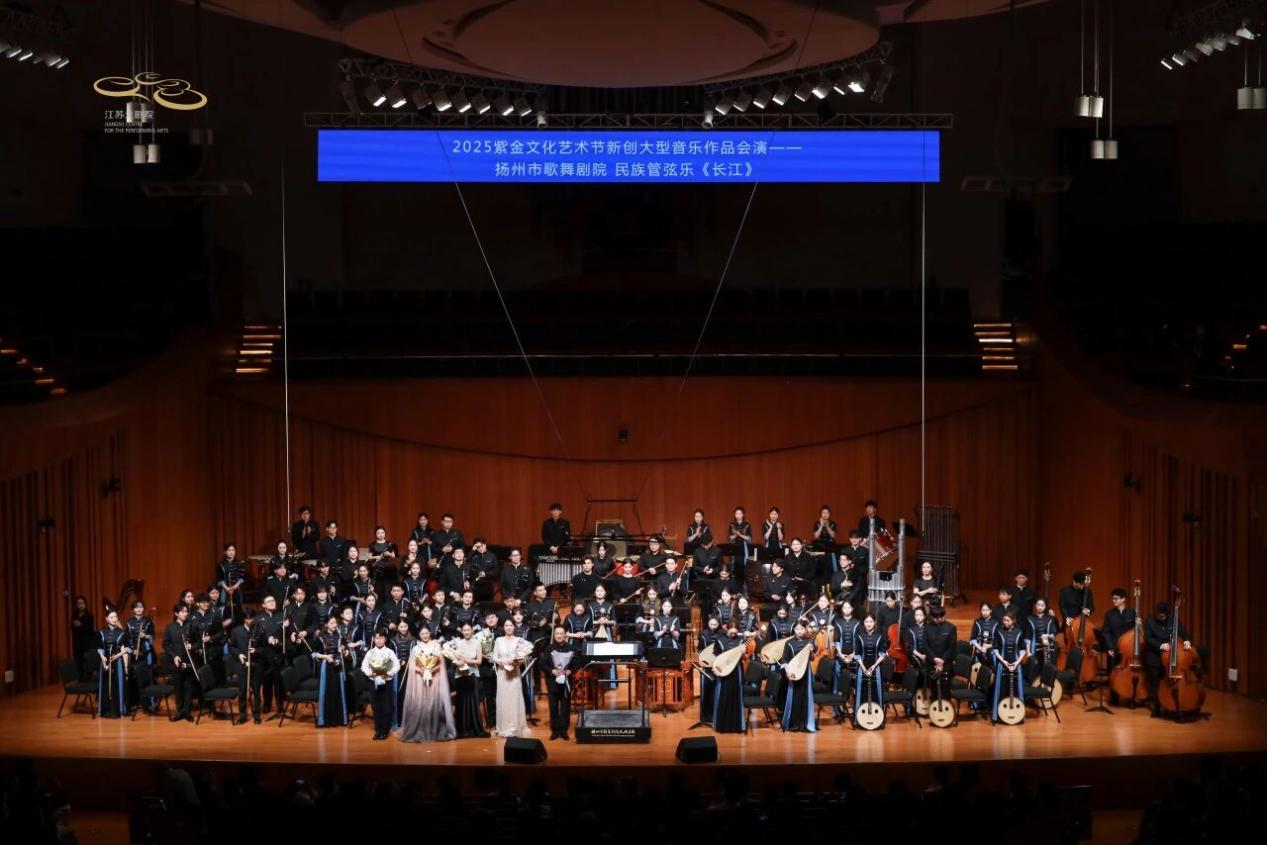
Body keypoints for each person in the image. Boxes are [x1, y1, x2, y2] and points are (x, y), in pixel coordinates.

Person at [399, 625, 455, 742]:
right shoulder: (416, 648)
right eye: (422, 634)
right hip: (420, 680)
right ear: (419, 635)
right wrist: (422, 670)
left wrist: (431, 669)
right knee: (421, 704)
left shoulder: (436, 646)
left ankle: (435, 730)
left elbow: (440, 663)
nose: (425, 635)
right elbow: (412, 666)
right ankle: (420, 729)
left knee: (433, 704)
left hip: (434, 679)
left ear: (430, 633)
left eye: (426, 633)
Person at [1144, 602, 1192, 717]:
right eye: (1159, 616)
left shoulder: (1173, 620)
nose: (1161, 618)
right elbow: (1148, 638)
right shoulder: (1149, 621)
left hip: (1170, 657)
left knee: (1170, 681)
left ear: (1167, 614)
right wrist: (1160, 645)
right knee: (1155, 683)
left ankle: (1171, 705)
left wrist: (1187, 640)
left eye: (1163, 616)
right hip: (1154, 655)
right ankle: (1156, 708)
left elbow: (1182, 631)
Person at [492, 618, 533, 737]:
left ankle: (515, 727)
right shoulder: (499, 640)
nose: (508, 627)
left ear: (514, 627)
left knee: (515, 699)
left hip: (514, 673)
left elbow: (523, 658)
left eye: (511, 625)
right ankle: (504, 727)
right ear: (503, 627)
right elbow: (494, 657)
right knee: (503, 699)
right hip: (502, 674)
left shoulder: (519, 641)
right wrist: (503, 661)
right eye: (506, 625)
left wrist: (517, 662)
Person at [449, 622, 488, 738]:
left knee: (473, 701)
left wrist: (466, 660)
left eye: (468, 630)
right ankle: (462, 729)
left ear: (472, 630)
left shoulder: (477, 643)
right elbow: (454, 658)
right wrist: (456, 661)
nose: (466, 632)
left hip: (472, 675)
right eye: (464, 630)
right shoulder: (458, 643)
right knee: (461, 702)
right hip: (460, 675)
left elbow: (479, 661)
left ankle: (474, 727)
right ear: (461, 631)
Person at [361, 630, 400, 740]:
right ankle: (378, 729)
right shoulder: (370, 653)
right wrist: (369, 673)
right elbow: (364, 666)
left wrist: (389, 673)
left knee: (386, 706)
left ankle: (385, 730)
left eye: (381, 638)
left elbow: (397, 665)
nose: (379, 640)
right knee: (376, 706)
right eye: (377, 638)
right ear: (374, 639)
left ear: (385, 639)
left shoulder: (390, 652)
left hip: (386, 682)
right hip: (373, 682)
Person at [312, 615, 349, 728]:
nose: (334, 625)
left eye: (335, 623)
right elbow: (313, 654)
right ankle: (325, 720)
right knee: (326, 692)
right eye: (332, 623)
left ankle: (339, 719)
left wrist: (344, 651)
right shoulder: (320, 637)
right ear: (326, 624)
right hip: (326, 668)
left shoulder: (340, 636)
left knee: (338, 692)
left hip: (338, 666)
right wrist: (326, 657)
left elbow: (347, 652)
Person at [991, 611, 1028, 723]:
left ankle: (1018, 716)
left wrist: (1017, 662)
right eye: (1004, 620)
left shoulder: (1019, 632)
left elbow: (1022, 649)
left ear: (1013, 621)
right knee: (1001, 689)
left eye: (1008, 620)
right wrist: (1003, 662)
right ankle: (998, 716)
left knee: (1017, 690)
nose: (1005, 622)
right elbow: (995, 649)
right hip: (1002, 665)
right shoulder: (999, 632)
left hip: (1016, 665)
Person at [780, 620, 816, 732]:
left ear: (805, 630)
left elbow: (812, 658)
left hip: (806, 674)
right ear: (794, 630)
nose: (799, 631)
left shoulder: (809, 642)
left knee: (806, 697)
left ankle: (806, 723)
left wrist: (811, 651)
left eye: (802, 629)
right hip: (793, 673)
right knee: (794, 697)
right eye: (797, 629)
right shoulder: (789, 643)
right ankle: (793, 723)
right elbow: (784, 659)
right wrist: (787, 672)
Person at [163, 603, 196, 722]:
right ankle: (180, 711)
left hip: (189, 660)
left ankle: (187, 712)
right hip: (176, 661)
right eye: (182, 611)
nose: (185, 614)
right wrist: (174, 656)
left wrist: (192, 646)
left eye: (186, 611)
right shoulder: (170, 628)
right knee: (178, 687)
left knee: (188, 687)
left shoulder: (191, 626)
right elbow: (166, 645)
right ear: (176, 613)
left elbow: (197, 641)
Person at [97, 609, 132, 718]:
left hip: (118, 662)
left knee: (118, 684)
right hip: (105, 662)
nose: (114, 619)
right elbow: (99, 647)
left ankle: (118, 710)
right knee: (105, 684)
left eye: (115, 617)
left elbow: (129, 647)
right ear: (106, 619)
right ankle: (105, 710)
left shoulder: (123, 632)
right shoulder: (101, 632)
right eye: (111, 617)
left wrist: (119, 654)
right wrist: (102, 657)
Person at [711, 624, 746, 733]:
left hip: (737, 671)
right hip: (723, 671)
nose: (733, 635)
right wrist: (715, 667)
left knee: (736, 696)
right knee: (723, 695)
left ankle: (737, 726)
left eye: (735, 633)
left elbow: (745, 657)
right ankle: (722, 726)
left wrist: (744, 654)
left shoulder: (741, 640)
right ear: (727, 629)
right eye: (731, 632)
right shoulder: (720, 640)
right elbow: (715, 655)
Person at [853, 614, 888, 722]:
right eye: (866, 621)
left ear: (875, 623)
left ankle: (878, 720)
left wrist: (874, 666)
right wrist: (863, 668)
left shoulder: (881, 636)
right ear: (863, 623)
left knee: (877, 692)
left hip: (877, 669)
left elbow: (882, 653)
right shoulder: (859, 636)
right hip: (861, 668)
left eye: (871, 621)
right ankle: (859, 719)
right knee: (861, 691)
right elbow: (857, 654)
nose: (869, 624)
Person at [545, 626, 574, 740]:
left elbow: (577, 663)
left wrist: (570, 670)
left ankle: (564, 731)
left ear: (565, 635)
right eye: (557, 633)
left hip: (566, 681)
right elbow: (542, 664)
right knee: (553, 707)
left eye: (561, 633)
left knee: (565, 707)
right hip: (552, 681)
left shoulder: (570, 648)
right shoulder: (549, 648)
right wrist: (552, 671)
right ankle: (555, 731)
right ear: (554, 635)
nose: (559, 636)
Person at [226, 613, 256, 725]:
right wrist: (239, 654)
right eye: (248, 618)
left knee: (256, 691)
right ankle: (242, 716)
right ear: (244, 619)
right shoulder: (236, 631)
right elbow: (232, 647)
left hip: (255, 664)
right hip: (241, 664)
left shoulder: (256, 629)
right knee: (242, 691)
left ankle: (257, 716)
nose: (250, 620)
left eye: (251, 618)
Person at [697, 616, 723, 725]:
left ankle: (716, 715)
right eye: (711, 624)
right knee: (706, 691)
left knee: (716, 690)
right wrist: (702, 659)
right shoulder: (704, 633)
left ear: (719, 624)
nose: (712, 627)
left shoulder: (722, 633)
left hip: (718, 665)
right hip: (706, 666)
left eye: (715, 625)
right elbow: (700, 649)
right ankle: (705, 716)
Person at [1026, 598, 1060, 681]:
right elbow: (1028, 637)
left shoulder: (1049, 619)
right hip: (1034, 648)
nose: (1040, 607)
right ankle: (1035, 685)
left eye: (1042, 605)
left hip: (1048, 649)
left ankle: (1047, 684)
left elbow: (1053, 635)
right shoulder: (1030, 618)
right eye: (1038, 605)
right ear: (1035, 606)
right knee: (1035, 669)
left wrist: (1047, 635)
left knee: (1047, 666)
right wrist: (1028, 652)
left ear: (1045, 607)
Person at [217, 543, 246, 624]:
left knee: (238, 608)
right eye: (229, 550)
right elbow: (219, 579)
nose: (231, 552)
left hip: (237, 589)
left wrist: (234, 587)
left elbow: (242, 578)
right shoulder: (221, 564)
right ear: (225, 552)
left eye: (233, 550)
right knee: (226, 608)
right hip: (225, 590)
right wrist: (227, 588)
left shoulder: (240, 563)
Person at [71, 596, 96, 679]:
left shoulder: (89, 615)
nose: (81, 605)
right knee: (79, 662)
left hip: (87, 643)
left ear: (85, 604)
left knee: (88, 663)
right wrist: (74, 625)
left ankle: (89, 679)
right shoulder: (74, 616)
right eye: (79, 603)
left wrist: (80, 625)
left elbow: (91, 630)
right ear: (76, 605)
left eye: (82, 603)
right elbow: (72, 628)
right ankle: (81, 679)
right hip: (77, 642)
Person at [727, 507, 754, 578]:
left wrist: (740, 535)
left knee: (743, 567)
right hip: (734, 547)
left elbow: (749, 538)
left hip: (744, 547)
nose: (738, 515)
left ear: (743, 515)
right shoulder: (732, 524)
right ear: (734, 515)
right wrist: (736, 535)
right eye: (737, 513)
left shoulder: (747, 524)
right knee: (734, 567)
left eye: (740, 514)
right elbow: (730, 538)